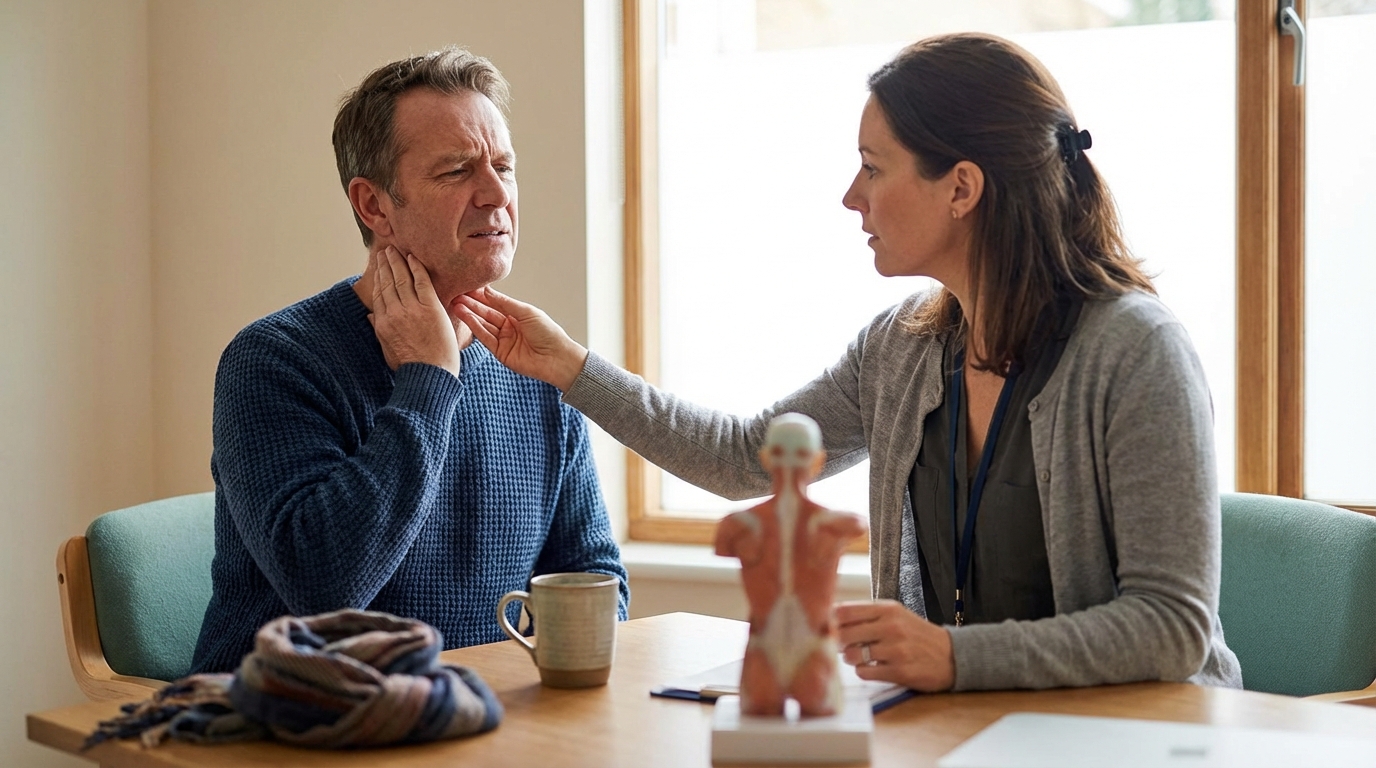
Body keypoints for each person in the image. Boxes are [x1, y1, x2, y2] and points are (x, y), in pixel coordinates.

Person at [454, 32, 1244, 693]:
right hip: (964, 726)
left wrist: (954, 658)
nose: (849, 197)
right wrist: (570, 367)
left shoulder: (1136, 352)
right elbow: (745, 458)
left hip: (1138, 735)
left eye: (873, 166)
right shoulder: (902, 347)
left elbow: (1172, 629)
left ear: (961, 188)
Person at [190, 47, 628, 674]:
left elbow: (593, 577)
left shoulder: (533, 365)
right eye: (456, 171)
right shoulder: (272, 361)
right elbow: (325, 590)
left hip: (473, 722)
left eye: (503, 165)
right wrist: (427, 380)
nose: (496, 193)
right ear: (374, 206)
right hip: (288, 729)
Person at [715, 414, 867, 716]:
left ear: (816, 461)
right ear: (767, 458)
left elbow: (859, 526)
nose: (790, 465)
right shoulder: (739, 527)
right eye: (782, 453)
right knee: (759, 708)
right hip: (764, 643)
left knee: (819, 707)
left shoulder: (835, 525)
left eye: (800, 454)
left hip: (814, 642)